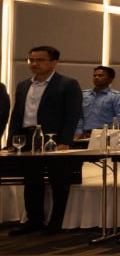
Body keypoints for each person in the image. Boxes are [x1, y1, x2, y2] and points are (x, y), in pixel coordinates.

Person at [7, 46, 82, 235]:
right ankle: (34, 221)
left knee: (58, 182)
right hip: (27, 138)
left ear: (54, 62)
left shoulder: (67, 84)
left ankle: (56, 223)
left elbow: (72, 114)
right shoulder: (23, 85)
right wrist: (12, 140)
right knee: (31, 181)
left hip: (53, 139)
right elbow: (16, 114)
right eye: (31, 60)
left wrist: (65, 141)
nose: (34, 64)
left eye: (40, 60)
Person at [75, 66, 120, 139]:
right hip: (85, 135)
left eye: (100, 76)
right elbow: (79, 115)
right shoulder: (84, 95)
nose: (96, 77)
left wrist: (112, 133)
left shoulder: (116, 96)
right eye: (94, 75)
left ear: (110, 79)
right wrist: (79, 131)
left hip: (106, 135)